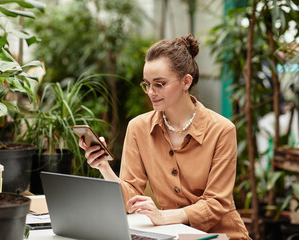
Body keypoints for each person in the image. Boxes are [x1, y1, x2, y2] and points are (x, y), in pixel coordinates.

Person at [79, 34, 250, 240]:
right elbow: (132, 198)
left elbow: (216, 204)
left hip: (220, 235)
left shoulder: (222, 130)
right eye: (147, 84)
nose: (151, 92)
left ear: (186, 81)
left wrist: (163, 216)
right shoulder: (138, 128)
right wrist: (104, 168)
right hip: (171, 235)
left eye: (159, 84)